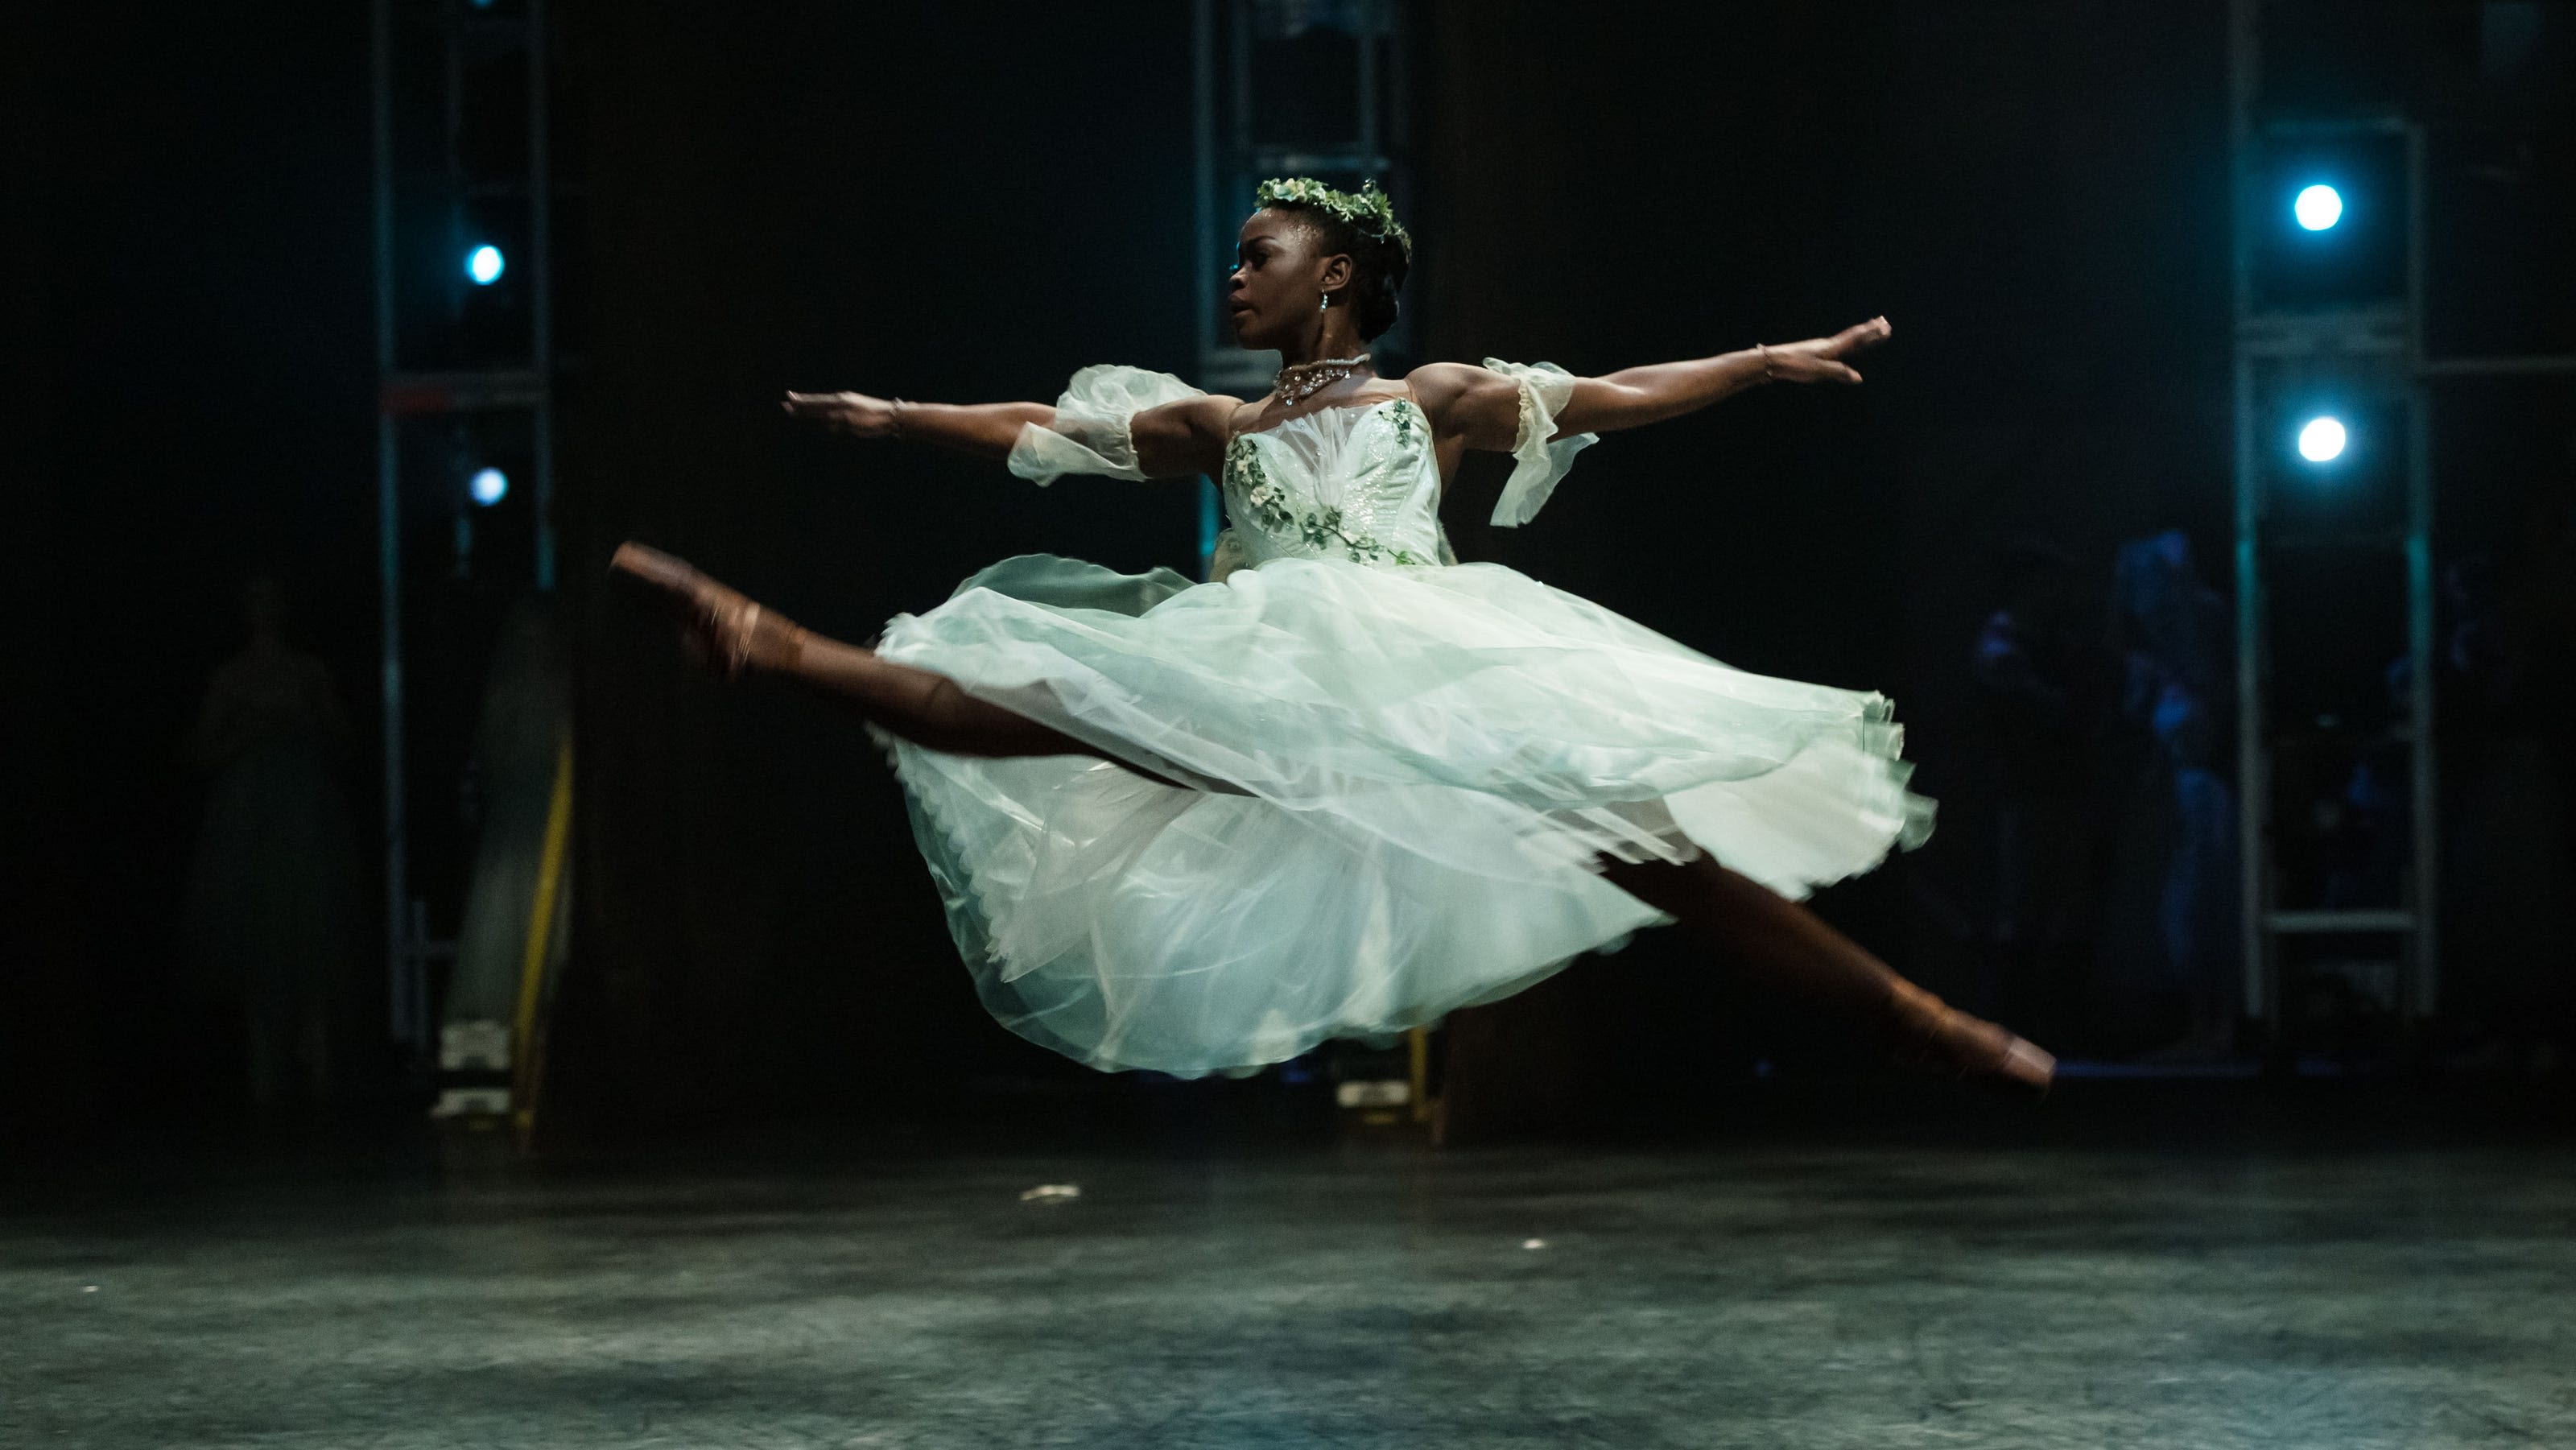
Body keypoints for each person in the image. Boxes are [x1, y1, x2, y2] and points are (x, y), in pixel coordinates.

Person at [613, 177, 2054, 1093]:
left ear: (1339, 276)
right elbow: (1042, 428)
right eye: (1237, 259)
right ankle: (771, 644)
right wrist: (891, 416)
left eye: (1263, 255)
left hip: (1430, 659)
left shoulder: (1423, 399)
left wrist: (1756, 362)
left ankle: (1915, 1017)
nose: (1237, 277)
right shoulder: (1219, 425)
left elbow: (1608, 394)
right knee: (1043, 694)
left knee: (1650, 849)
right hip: (1267, 662)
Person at [181, 576, 367, 1110]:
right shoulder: (232, 676)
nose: (266, 608)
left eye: (274, 597)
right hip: (251, 817)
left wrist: (308, 719)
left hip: (306, 813)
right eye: (256, 598)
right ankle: (265, 1073)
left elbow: (343, 740)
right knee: (259, 935)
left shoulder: (308, 671)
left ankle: (320, 1073)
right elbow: (201, 752)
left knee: (312, 932)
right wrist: (252, 732)